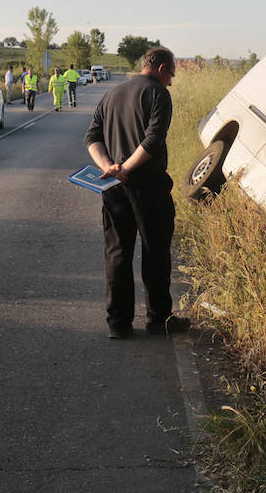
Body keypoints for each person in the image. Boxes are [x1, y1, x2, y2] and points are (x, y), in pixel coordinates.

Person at [84, 46, 190, 339]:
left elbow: (92, 137)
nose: (171, 80)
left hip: (113, 186)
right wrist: (127, 168)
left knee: (117, 252)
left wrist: (109, 166)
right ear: (160, 69)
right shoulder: (158, 94)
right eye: (171, 74)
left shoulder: (112, 94)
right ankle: (158, 320)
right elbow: (153, 139)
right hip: (148, 187)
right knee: (155, 252)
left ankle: (118, 323)